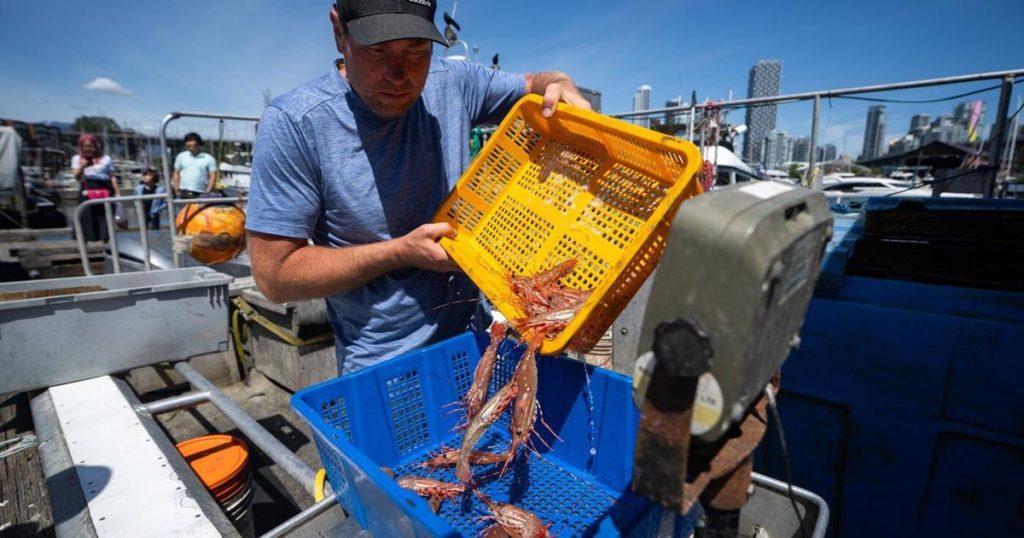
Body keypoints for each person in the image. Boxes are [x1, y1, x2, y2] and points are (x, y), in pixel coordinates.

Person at [246, 0, 591, 374]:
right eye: (377, 50)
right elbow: (274, 277)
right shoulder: (295, 124)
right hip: (383, 363)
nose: (397, 74)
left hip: (475, 342)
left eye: (415, 50)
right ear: (339, 32)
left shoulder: (454, 82)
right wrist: (399, 253)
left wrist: (560, 83)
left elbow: (534, 83)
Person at [72, 133, 120, 242]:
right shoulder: (77, 158)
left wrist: (117, 193)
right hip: (87, 188)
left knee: (105, 216)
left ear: (96, 145)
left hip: (105, 188)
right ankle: (88, 241)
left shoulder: (106, 159)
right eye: (85, 146)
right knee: (87, 215)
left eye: (91, 145)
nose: (89, 148)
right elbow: (76, 176)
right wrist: (82, 166)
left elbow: (112, 177)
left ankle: (105, 241)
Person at [172, 132, 217, 198]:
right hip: (183, 191)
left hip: (201, 193)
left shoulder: (209, 158)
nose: (189, 143)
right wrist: (176, 190)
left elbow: (213, 176)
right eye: (187, 141)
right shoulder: (181, 156)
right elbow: (176, 173)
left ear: (198, 142)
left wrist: (207, 192)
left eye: (191, 140)